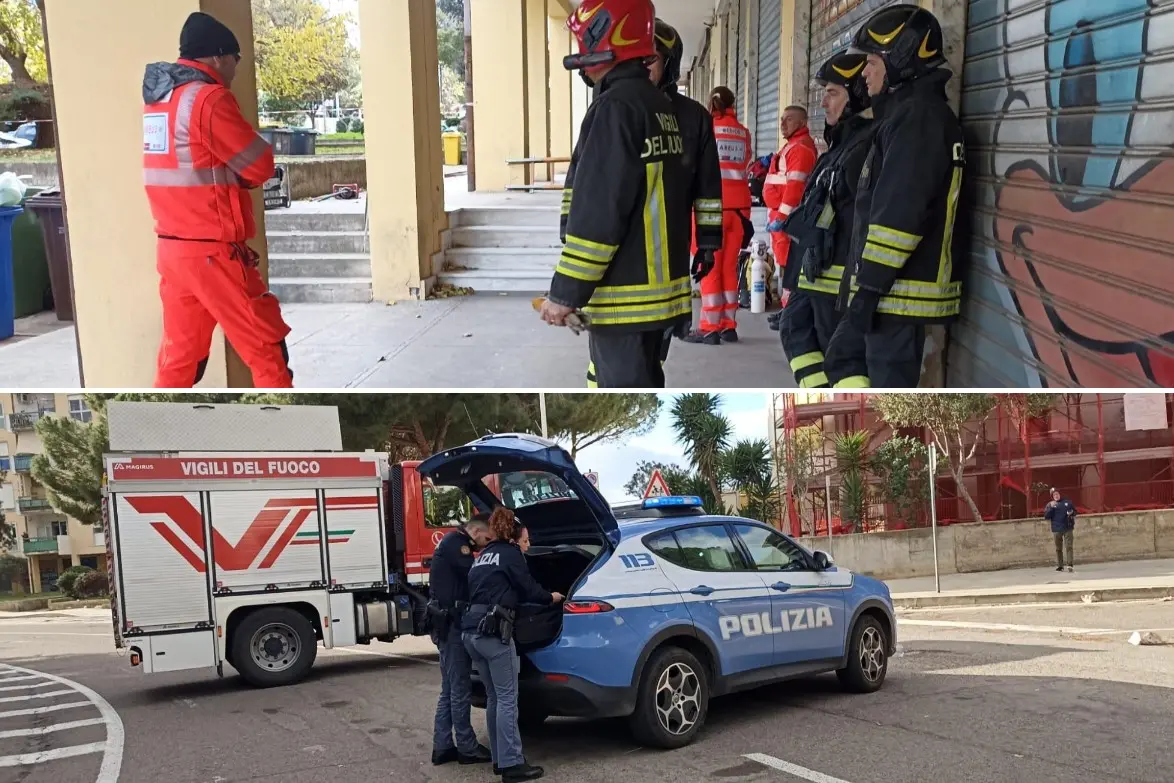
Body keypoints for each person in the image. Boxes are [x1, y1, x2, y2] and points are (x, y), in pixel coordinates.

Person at [541, 0, 693, 388]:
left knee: (622, 388)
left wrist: (565, 293)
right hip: (656, 297)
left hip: (625, 299)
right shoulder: (658, 105)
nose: (579, 51)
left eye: (582, 40)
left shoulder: (616, 108)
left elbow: (599, 212)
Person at [142, 12, 294, 388]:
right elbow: (258, 166)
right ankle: (290, 437)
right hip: (213, 255)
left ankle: (160, 437)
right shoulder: (208, 99)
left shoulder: (161, 99)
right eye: (237, 61)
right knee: (266, 349)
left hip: (173, 251)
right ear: (219, 57)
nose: (236, 70)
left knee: (179, 360)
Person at [823, 4, 966, 388]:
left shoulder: (918, 118)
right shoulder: (909, 115)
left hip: (898, 294)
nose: (864, 72)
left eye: (871, 61)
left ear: (900, 58)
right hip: (891, 291)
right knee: (843, 357)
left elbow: (900, 211)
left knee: (879, 378)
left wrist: (868, 289)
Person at [779, 51, 875, 388]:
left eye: (832, 93)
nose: (823, 102)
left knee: (842, 359)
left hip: (837, 284)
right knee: (794, 331)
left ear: (858, 95)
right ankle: (821, 394)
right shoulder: (842, 144)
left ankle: (845, 406)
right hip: (814, 275)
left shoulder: (867, 145)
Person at [462, 508, 564, 781]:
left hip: (472, 633)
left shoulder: (483, 556)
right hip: (494, 634)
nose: (527, 545)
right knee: (508, 699)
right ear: (515, 537)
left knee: (495, 698)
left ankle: (499, 759)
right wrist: (551, 597)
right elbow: (527, 588)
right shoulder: (510, 554)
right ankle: (511, 765)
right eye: (526, 540)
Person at [648, 19, 723, 369]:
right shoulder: (612, 110)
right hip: (618, 261)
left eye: (650, 59)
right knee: (610, 359)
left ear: (670, 64)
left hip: (670, 255)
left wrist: (707, 243)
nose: (640, 67)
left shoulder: (694, 117)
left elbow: (708, 189)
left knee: (652, 356)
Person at [682, 86, 753, 345]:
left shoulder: (706, 128)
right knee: (729, 269)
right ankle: (728, 325)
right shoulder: (743, 133)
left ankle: (708, 328)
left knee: (708, 265)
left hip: (711, 208)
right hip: (740, 210)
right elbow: (745, 164)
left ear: (710, 105)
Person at [428, 517, 493, 767]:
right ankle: (466, 747)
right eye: (486, 539)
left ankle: (443, 746)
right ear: (475, 531)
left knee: (450, 688)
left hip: (445, 624)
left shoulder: (452, 542)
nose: (485, 545)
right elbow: (475, 576)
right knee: (459, 689)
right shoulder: (458, 544)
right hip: (452, 626)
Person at [764, 106, 819, 327]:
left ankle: (790, 315)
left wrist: (783, 218)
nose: (782, 124)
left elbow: (795, 188)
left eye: (789, 120)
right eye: (782, 119)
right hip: (781, 217)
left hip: (788, 219)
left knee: (790, 269)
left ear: (803, 122)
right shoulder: (792, 146)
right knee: (785, 266)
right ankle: (787, 312)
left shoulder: (800, 149)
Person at [1044, 488, 1076, 573]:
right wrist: (1051, 508)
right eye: (1054, 495)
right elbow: (1046, 516)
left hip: (1067, 527)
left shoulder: (1067, 502)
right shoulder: (1050, 504)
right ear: (1052, 496)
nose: (1056, 496)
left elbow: (1075, 511)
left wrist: (1071, 512)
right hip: (1056, 529)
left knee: (1069, 546)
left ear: (1060, 494)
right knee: (1058, 548)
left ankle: (1070, 564)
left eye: (1057, 494)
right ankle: (1060, 566)